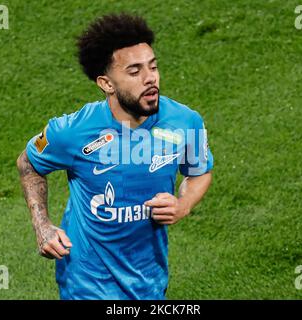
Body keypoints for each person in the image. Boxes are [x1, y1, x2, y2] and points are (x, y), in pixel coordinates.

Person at [16, 13, 213, 300]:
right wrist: (42, 226)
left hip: (149, 282)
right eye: (134, 72)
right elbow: (28, 163)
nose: (150, 79)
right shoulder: (74, 131)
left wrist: (183, 205)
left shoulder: (185, 122)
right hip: (86, 283)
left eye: (153, 67)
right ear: (107, 84)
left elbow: (199, 171)